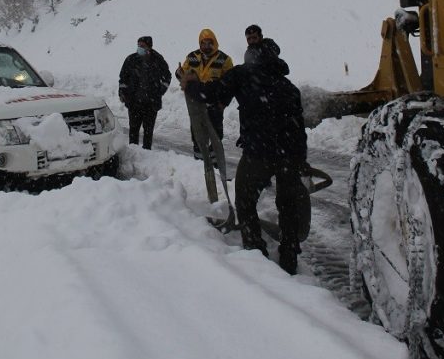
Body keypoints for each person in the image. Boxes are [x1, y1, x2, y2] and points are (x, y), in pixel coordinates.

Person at [182, 39, 310, 275]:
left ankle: (255, 251)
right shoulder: (289, 87)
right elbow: (298, 128)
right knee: (288, 204)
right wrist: (301, 160)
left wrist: (191, 86)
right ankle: (289, 255)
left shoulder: (243, 74)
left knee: (245, 198)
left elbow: (212, 93)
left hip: (259, 152)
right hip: (289, 154)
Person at [176, 28, 233, 159]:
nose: (206, 46)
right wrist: (180, 74)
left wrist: (223, 102)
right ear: (199, 43)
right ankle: (198, 165)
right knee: (197, 135)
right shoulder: (192, 57)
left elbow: (231, 84)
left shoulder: (224, 60)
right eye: (203, 43)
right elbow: (182, 73)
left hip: (214, 104)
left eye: (209, 43)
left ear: (215, 42)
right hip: (195, 103)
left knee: (215, 137)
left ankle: (215, 167)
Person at [118, 36, 171, 149]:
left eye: (142, 46)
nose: (139, 48)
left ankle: (147, 153)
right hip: (134, 102)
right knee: (133, 130)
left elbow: (167, 76)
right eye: (138, 46)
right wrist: (122, 92)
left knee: (148, 131)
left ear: (149, 47)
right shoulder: (131, 59)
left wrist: (160, 91)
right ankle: (133, 153)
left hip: (151, 104)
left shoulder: (158, 59)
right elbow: (123, 78)